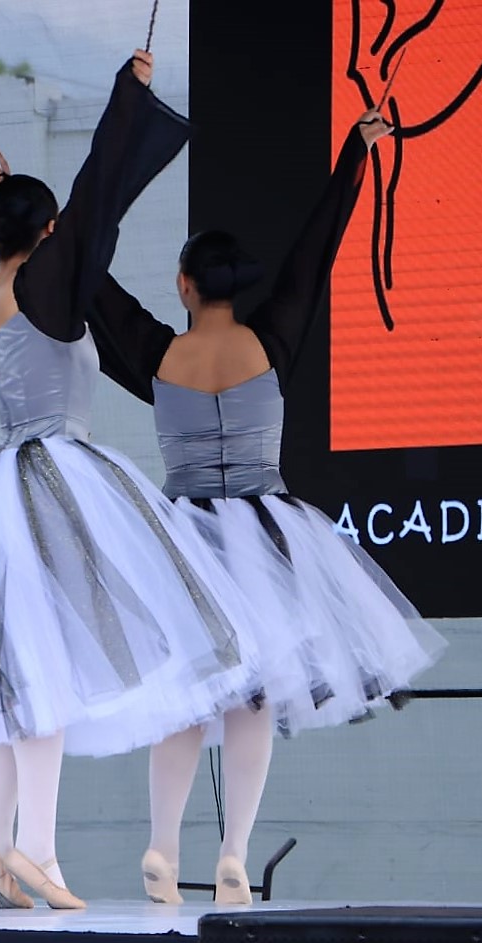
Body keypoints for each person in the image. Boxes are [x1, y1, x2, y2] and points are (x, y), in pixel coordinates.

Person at [0, 51, 265, 910]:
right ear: (48, 236)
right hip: (54, 478)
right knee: (42, 667)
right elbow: (96, 194)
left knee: (17, 663)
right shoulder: (51, 287)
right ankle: (37, 850)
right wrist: (126, 96)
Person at [74, 110, 445, 904]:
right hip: (263, 537)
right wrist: (352, 154)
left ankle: (161, 846)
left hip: (180, 537)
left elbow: (93, 292)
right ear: (235, 286)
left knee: (182, 694)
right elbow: (315, 254)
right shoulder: (272, 338)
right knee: (251, 697)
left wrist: (39, 239)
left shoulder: (155, 352)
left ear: (182, 284)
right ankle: (234, 852)